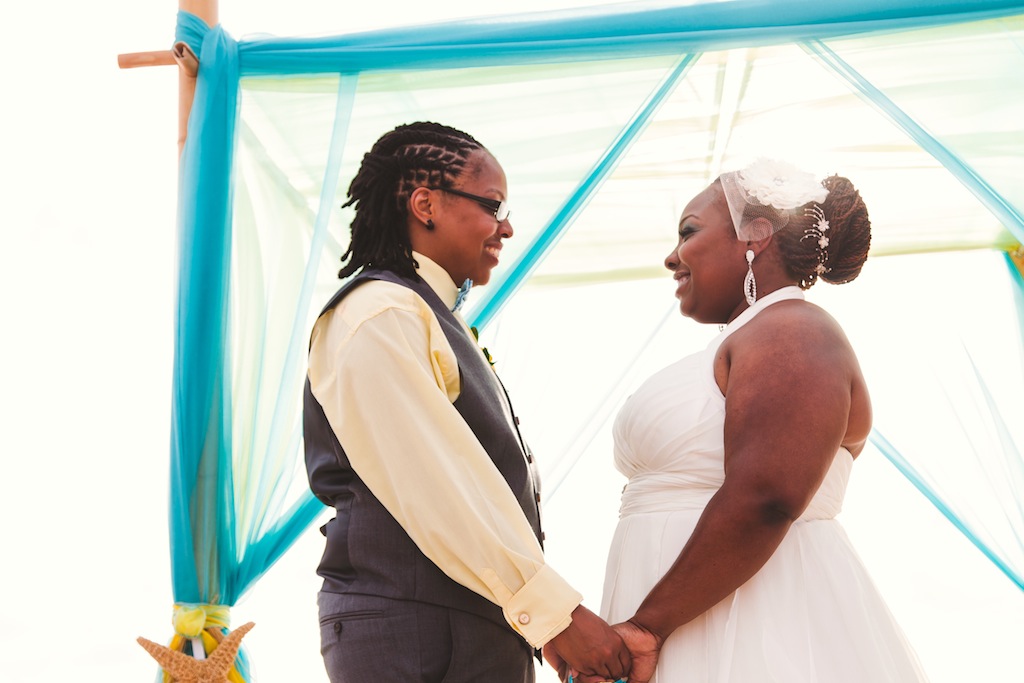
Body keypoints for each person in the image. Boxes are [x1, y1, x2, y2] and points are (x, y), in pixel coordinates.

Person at [303, 121, 630, 683]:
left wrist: (535, 621)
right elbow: (436, 481)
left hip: (467, 627)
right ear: (425, 204)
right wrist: (555, 616)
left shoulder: (427, 314)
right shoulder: (383, 313)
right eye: (493, 204)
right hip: (417, 631)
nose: (506, 226)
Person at [592, 159, 930, 683]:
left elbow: (766, 494)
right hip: (681, 619)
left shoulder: (793, 330)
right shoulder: (746, 339)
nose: (671, 257)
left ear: (757, 234)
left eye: (688, 231)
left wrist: (648, 627)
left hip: (757, 626)